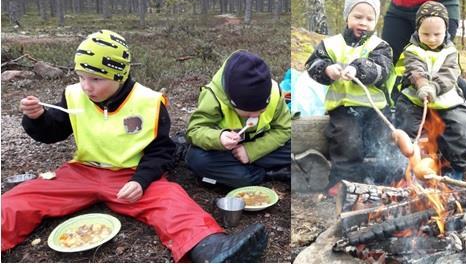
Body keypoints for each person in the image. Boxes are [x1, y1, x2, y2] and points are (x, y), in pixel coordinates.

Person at [1, 30, 268, 263]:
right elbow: (54, 132)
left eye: (96, 79)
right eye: (81, 76)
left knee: (172, 201)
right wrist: (36, 119)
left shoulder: (149, 102)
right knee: (25, 196)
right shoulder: (73, 95)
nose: (86, 86)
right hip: (82, 172)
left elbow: (162, 150)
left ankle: (211, 248)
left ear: (119, 75)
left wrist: (142, 180)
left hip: (132, 175)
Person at [346, 0, 466, 112]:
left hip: (438, 3)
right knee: (390, 62)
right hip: (400, 7)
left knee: (435, 63)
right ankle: (395, 109)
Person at [305, 0, 394, 193]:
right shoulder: (330, 44)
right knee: (347, 140)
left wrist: (358, 69)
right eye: (358, 16)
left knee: (385, 139)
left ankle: (387, 182)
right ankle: (343, 183)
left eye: (369, 19)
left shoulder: (380, 46)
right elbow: (312, 65)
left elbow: (383, 70)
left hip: (376, 108)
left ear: (375, 22)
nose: (363, 23)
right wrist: (327, 69)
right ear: (347, 17)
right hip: (344, 109)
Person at [393, 1, 466, 181]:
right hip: (415, 99)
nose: (431, 39)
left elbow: (449, 74)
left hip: (447, 99)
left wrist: (434, 87)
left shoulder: (450, 51)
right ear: (417, 31)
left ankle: (455, 171)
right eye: (426, 34)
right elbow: (414, 70)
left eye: (437, 34)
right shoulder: (412, 50)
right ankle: (405, 170)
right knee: (405, 126)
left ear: (446, 30)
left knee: (459, 126)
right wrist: (422, 85)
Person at [185, 51, 292, 189]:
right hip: (226, 151)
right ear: (232, 103)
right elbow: (194, 130)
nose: (255, 117)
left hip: (262, 144)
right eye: (248, 114)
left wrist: (251, 151)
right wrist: (219, 138)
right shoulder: (213, 96)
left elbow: (285, 129)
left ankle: (244, 172)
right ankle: (265, 174)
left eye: (261, 111)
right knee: (197, 160)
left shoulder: (274, 92)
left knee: (298, 144)